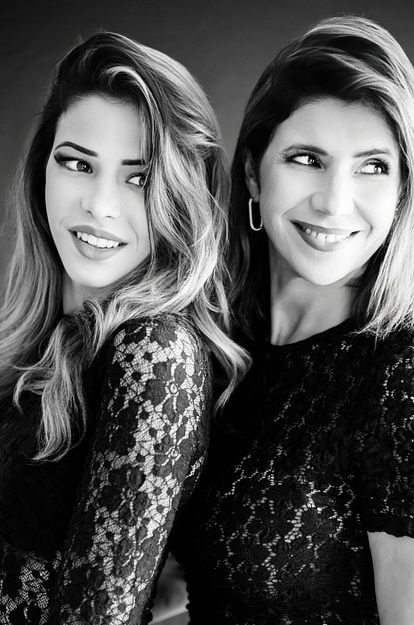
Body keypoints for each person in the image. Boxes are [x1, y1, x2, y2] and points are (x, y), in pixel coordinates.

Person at [169, 15, 414, 625]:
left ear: (402, 192)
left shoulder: (410, 376)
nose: (335, 201)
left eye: (373, 166)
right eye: (307, 158)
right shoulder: (218, 345)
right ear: (253, 173)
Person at [0, 31, 246, 624]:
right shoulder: (33, 340)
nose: (100, 204)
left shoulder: (154, 356)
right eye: (77, 163)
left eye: (139, 178)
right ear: (42, 171)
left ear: (181, 197)